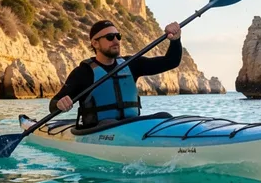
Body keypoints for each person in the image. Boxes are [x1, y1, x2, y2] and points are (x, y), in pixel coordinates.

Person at [49, 18, 183, 128]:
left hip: (132, 126)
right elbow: (53, 104)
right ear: (95, 43)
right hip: (100, 131)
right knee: (110, 124)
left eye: (118, 36)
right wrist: (59, 104)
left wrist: (175, 40)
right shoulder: (83, 73)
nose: (115, 40)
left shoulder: (131, 64)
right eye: (109, 37)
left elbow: (170, 62)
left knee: (165, 116)